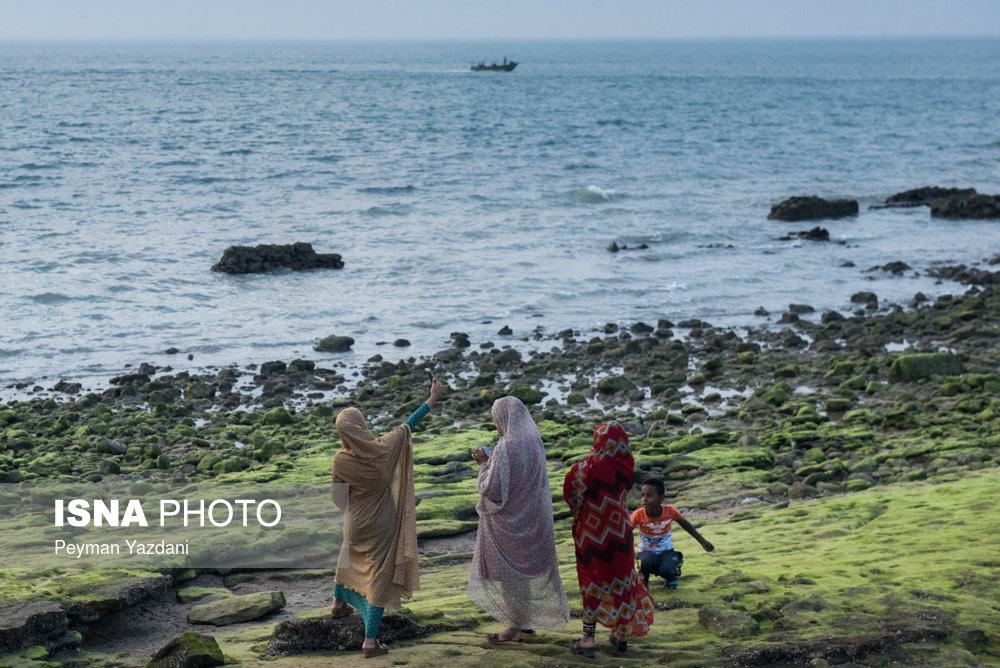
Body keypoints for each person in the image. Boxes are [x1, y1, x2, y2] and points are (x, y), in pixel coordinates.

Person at [330, 378, 443, 658]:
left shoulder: (340, 460)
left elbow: (337, 498)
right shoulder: (384, 448)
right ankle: (370, 642)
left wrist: (353, 506)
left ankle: (337, 604)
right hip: (383, 523)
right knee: (379, 575)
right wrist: (432, 399)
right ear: (362, 427)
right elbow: (408, 426)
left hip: (355, 521)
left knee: (347, 556)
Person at [467, 396, 570, 645]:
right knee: (522, 575)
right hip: (534, 518)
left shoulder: (506, 445)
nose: (496, 424)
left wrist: (483, 464)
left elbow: (492, 488)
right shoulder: (534, 441)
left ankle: (513, 628)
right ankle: (525, 626)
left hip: (509, 522)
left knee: (508, 576)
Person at [563, 421, 653, 657]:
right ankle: (622, 634)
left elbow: (569, 493)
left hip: (592, 535)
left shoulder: (585, 468)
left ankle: (588, 639)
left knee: (591, 583)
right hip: (621, 532)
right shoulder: (627, 463)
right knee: (623, 581)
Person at [631, 478, 714, 590]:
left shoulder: (669, 511)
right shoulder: (638, 514)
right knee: (645, 562)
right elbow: (626, 532)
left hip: (666, 551)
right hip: (646, 551)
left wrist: (703, 542)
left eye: (649, 495)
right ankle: (644, 580)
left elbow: (685, 524)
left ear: (661, 498)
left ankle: (670, 578)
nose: (644, 499)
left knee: (666, 569)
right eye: (643, 495)